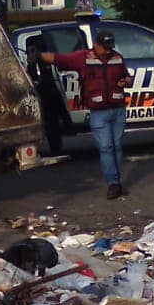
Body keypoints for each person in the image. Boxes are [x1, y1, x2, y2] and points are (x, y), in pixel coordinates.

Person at [39, 30, 133, 199]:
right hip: (99, 113)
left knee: (117, 146)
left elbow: (127, 77)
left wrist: (126, 80)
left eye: (110, 46)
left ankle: (117, 182)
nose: (108, 50)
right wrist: (37, 55)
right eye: (105, 47)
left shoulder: (117, 57)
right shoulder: (83, 57)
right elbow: (59, 59)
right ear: (96, 45)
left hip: (118, 109)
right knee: (106, 148)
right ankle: (113, 183)